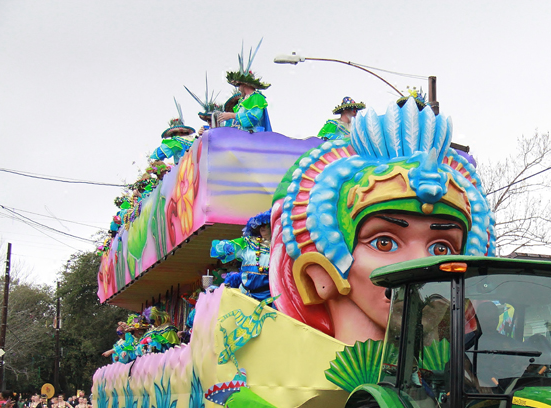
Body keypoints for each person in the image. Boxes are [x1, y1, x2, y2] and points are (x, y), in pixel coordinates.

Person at [270, 100, 495, 345]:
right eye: (385, 243)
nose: (421, 265)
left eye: (441, 249)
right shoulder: (284, 378)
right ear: (321, 274)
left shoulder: (470, 378)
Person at [210, 211, 272, 301]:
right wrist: (226, 248)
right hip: (246, 295)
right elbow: (221, 249)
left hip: (270, 297)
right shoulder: (248, 243)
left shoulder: (279, 246)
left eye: (266, 224)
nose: (262, 227)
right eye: (260, 225)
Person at [217, 41, 272, 133]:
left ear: (245, 84)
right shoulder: (242, 102)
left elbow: (251, 119)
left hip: (252, 141)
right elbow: (231, 125)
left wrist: (232, 115)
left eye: (239, 85)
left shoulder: (257, 98)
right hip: (239, 140)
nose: (238, 89)